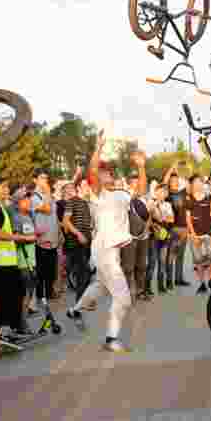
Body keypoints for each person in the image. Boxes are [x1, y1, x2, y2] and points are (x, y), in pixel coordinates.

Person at [65, 131, 147, 353]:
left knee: (100, 285)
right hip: (104, 250)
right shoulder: (97, 194)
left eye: (107, 171)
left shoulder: (120, 194)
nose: (104, 174)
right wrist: (98, 147)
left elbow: (141, 190)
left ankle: (75, 310)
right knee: (124, 298)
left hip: (113, 250)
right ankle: (111, 338)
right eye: (101, 172)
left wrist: (141, 167)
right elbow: (91, 171)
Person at [0, 179, 39, 344]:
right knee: (5, 299)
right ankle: (1, 333)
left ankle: (6, 331)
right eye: (2, 187)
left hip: (6, 262)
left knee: (11, 297)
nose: (6, 189)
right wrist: (19, 237)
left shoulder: (0, 208)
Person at [31, 169, 60, 307]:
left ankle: (49, 292)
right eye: (42, 178)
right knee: (41, 270)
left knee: (51, 269)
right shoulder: (34, 197)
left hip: (53, 238)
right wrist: (48, 191)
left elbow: (54, 215)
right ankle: (40, 294)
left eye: (46, 178)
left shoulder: (49, 196)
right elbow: (47, 209)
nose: (45, 181)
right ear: (35, 180)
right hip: (41, 240)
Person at [186, 174, 211, 294]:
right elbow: (188, 219)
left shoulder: (209, 196)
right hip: (195, 235)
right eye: (195, 182)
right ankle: (202, 283)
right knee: (198, 260)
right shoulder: (189, 199)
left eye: (200, 182)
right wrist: (194, 236)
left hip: (209, 234)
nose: (198, 184)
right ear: (192, 185)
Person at [62, 181, 94, 302]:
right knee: (83, 272)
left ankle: (82, 300)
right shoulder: (72, 201)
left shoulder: (85, 203)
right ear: (79, 188)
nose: (88, 188)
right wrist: (78, 234)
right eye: (85, 186)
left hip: (86, 242)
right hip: (76, 243)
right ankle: (79, 303)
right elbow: (66, 220)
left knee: (85, 272)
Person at [122, 173, 151, 300]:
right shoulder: (125, 197)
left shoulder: (145, 199)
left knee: (142, 265)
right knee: (128, 266)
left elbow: (149, 216)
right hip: (129, 238)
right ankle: (127, 292)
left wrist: (146, 229)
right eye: (135, 183)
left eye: (139, 183)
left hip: (143, 237)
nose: (138, 186)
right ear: (129, 185)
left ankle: (140, 291)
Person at [12, 187, 39, 322]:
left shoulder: (29, 216)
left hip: (31, 260)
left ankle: (22, 320)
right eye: (25, 199)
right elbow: (14, 237)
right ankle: (20, 322)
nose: (28, 201)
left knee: (29, 292)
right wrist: (30, 238)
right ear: (18, 202)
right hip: (22, 261)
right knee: (24, 293)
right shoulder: (16, 218)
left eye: (29, 198)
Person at [146, 182, 174, 297]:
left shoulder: (168, 205)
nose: (162, 194)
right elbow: (149, 218)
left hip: (164, 236)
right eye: (160, 191)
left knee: (162, 262)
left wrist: (161, 217)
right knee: (152, 263)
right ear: (156, 192)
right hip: (153, 236)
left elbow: (171, 219)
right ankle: (146, 287)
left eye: (164, 192)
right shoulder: (151, 203)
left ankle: (161, 286)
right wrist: (162, 217)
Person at [166, 166, 190, 290]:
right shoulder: (167, 194)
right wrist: (170, 171)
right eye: (172, 180)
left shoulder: (182, 192)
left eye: (176, 180)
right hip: (173, 229)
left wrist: (179, 172)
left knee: (180, 255)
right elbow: (164, 183)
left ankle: (179, 279)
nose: (175, 182)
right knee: (172, 255)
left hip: (184, 229)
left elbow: (189, 185)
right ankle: (169, 280)